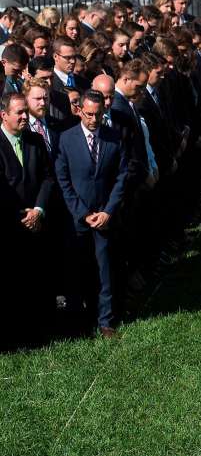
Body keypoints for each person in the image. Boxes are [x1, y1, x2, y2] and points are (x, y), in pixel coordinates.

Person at [54, 90, 130, 338]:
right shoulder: (66, 139)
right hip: (78, 218)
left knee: (105, 269)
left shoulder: (114, 139)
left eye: (98, 115)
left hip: (105, 217)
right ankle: (79, 319)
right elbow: (63, 180)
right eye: (88, 115)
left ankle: (106, 320)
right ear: (79, 111)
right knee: (77, 268)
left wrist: (108, 211)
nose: (93, 120)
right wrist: (83, 213)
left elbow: (121, 177)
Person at [0, 92, 55, 348]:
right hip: (9, 228)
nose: (25, 116)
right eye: (19, 113)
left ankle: (39, 332)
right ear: (4, 115)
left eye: (25, 111)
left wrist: (39, 210)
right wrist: (21, 215)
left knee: (37, 279)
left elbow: (47, 177)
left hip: (37, 223)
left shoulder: (35, 140)